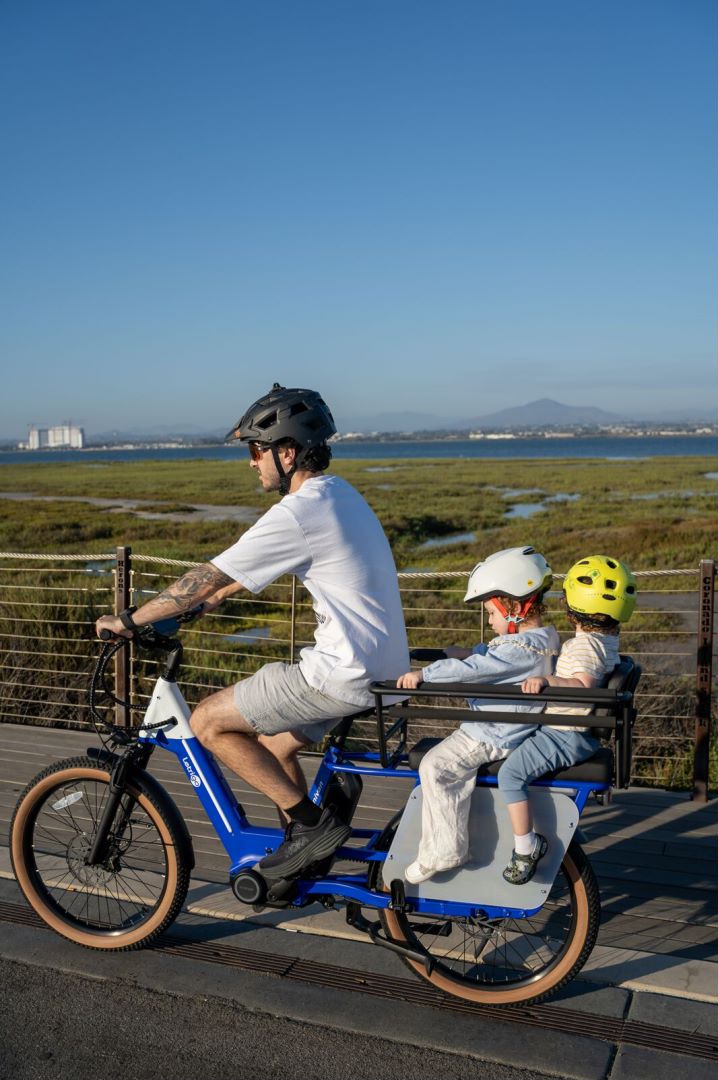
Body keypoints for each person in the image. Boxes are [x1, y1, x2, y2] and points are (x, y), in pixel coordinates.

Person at [96, 383, 409, 881]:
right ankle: (298, 864)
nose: (251, 462)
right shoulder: (338, 495)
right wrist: (222, 595)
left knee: (207, 723)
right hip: (384, 668)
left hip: (341, 675)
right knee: (276, 746)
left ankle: (313, 826)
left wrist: (129, 620)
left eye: (256, 450)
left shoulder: (297, 512)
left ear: (287, 452)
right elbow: (233, 578)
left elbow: (201, 579)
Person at [395, 547, 560, 885]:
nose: (488, 621)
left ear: (512, 607)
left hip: (489, 735)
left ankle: (445, 850)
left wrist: (425, 675)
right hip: (500, 728)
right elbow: (487, 656)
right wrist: (457, 652)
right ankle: (443, 841)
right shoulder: (539, 641)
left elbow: (475, 670)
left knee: (435, 767)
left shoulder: (519, 649)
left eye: (490, 613)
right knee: (439, 765)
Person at [499, 554, 637, 885]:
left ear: (571, 605)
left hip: (564, 735)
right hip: (575, 734)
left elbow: (583, 685)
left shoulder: (584, 647)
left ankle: (525, 847)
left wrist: (549, 681)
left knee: (509, 775)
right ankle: (558, 827)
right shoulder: (605, 643)